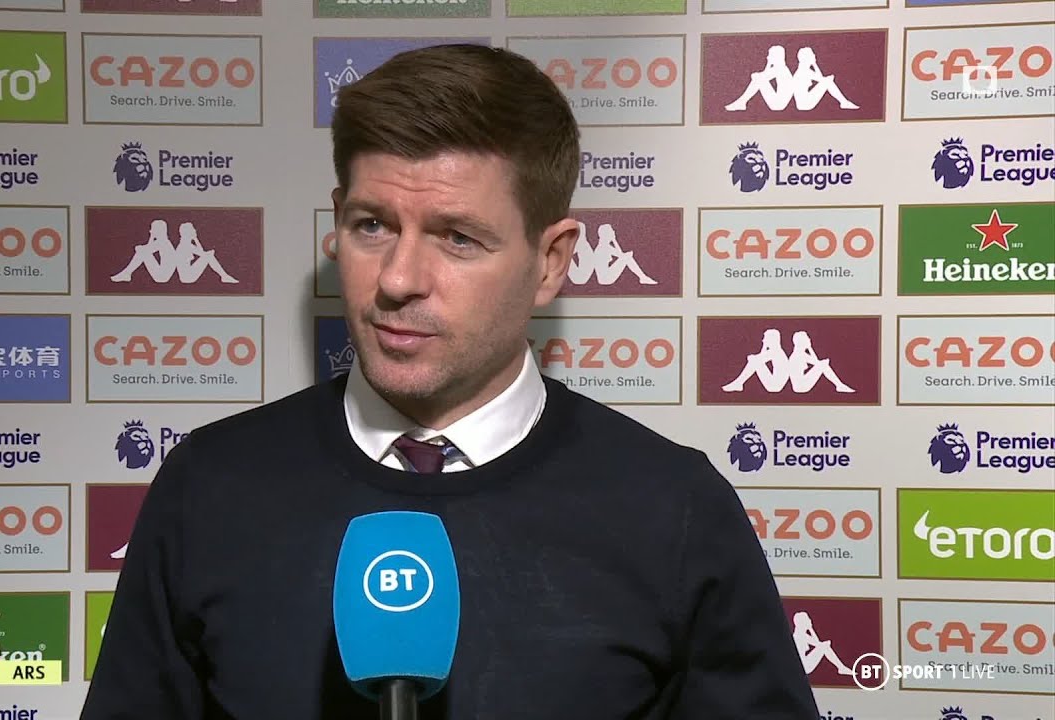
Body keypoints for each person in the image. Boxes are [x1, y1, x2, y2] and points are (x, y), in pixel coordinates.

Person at [81, 44, 819, 719]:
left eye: (458, 238)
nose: (398, 279)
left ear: (551, 262)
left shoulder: (674, 509)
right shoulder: (209, 485)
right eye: (372, 226)